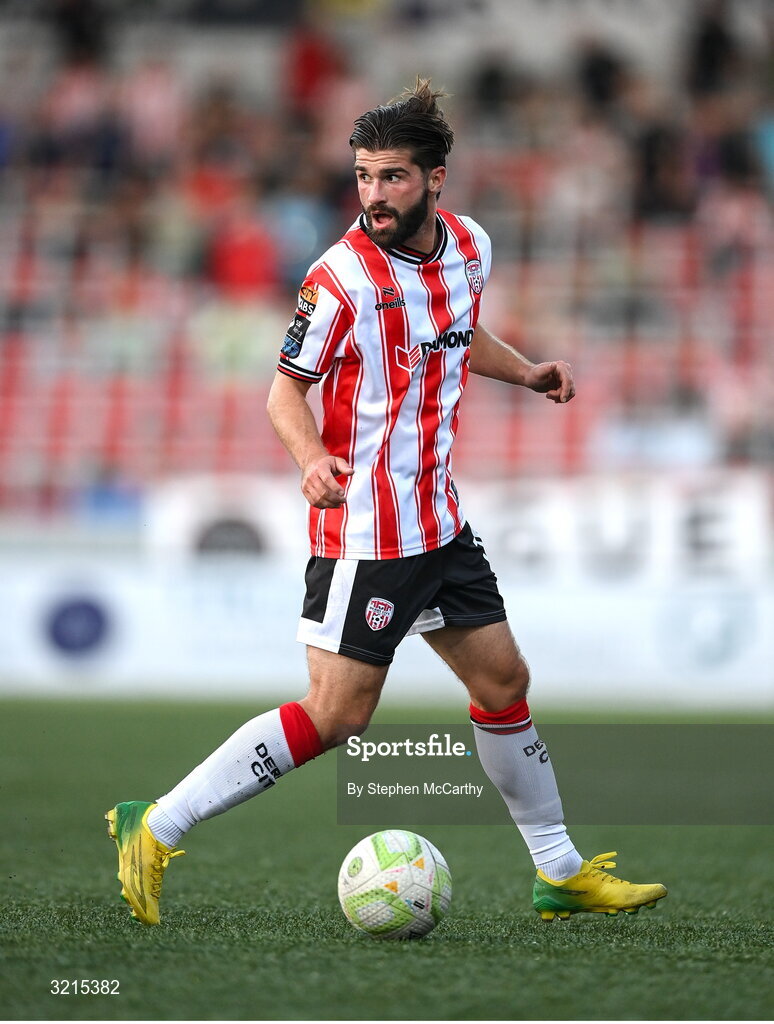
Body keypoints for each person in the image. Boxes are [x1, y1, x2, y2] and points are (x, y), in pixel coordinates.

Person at [106, 79, 667, 926]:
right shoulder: (338, 280)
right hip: (367, 528)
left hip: (439, 521)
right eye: (364, 177)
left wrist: (525, 371)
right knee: (339, 716)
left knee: (504, 680)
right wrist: (310, 460)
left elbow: (457, 328)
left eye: (392, 178)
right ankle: (156, 822)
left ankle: (559, 871)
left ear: (436, 179)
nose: (373, 195)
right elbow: (283, 394)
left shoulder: (470, 246)